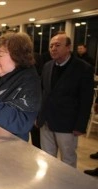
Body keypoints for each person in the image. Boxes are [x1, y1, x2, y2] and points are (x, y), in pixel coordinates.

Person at [36, 31, 94, 168]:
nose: (53, 49)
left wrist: (81, 126)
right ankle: (49, 185)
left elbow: (86, 99)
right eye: (51, 46)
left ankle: (67, 187)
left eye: (57, 45)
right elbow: (43, 92)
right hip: (46, 122)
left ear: (68, 47)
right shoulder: (47, 66)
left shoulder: (83, 68)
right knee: (46, 157)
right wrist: (38, 116)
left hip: (67, 124)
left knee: (67, 159)